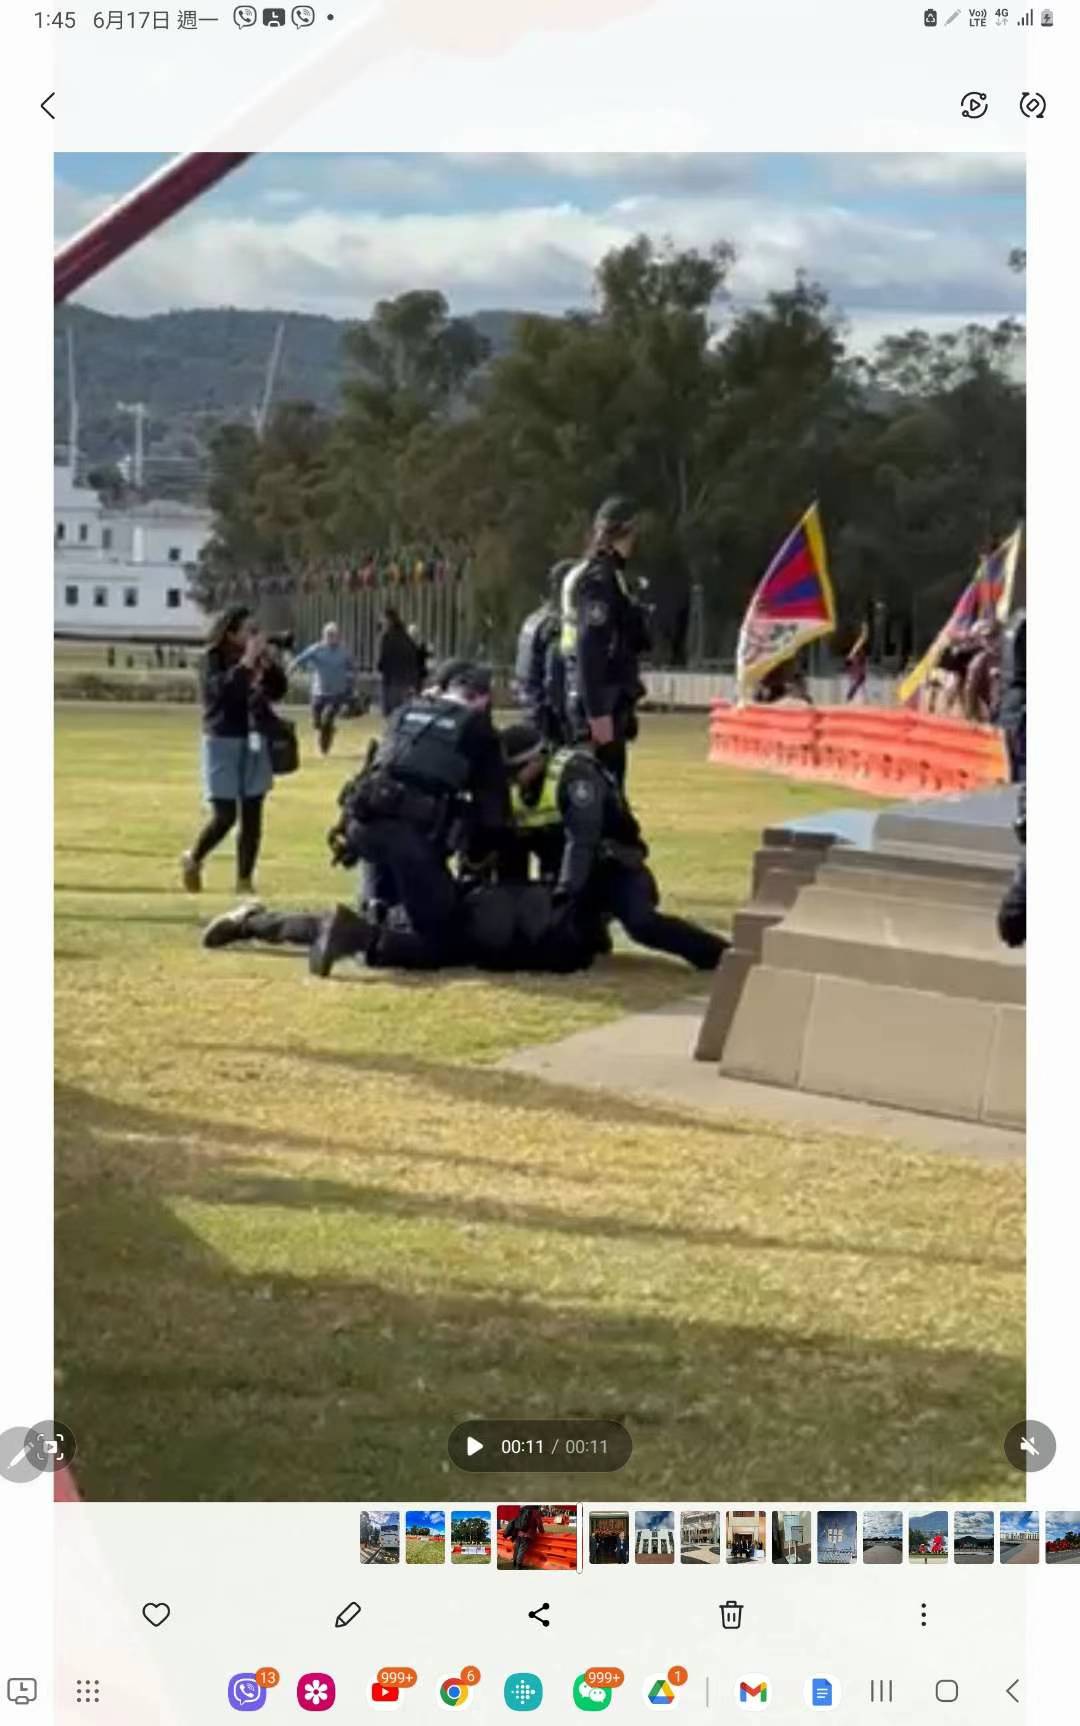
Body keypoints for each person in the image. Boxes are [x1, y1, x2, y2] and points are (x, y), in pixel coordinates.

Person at [311, 659, 512, 974]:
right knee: (440, 942)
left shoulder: (405, 712)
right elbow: (494, 816)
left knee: (388, 911)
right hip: (410, 840)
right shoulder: (477, 729)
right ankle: (352, 934)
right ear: (483, 698)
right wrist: (480, 860)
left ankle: (367, 919)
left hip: (361, 827)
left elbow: (376, 770)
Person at [498, 722, 727, 972]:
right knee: (574, 943)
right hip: (569, 875)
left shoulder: (576, 777)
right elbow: (514, 848)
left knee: (642, 924)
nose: (512, 780)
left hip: (614, 867)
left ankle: (720, 954)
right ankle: (593, 928)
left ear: (539, 758)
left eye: (516, 772)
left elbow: (582, 841)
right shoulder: (515, 789)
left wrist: (564, 897)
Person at [180, 606, 288, 894]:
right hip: (222, 740)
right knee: (225, 816)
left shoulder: (258, 659)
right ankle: (194, 858)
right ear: (230, 633)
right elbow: (221, 692)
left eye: (256, 630)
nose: (255, 636)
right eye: (249, 631)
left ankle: (244, 881)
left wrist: (268, 667)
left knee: (253, 815)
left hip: (254, 739)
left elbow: (278, 691)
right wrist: (247, 662)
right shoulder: (212, 659)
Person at [560, 496, 651, 787]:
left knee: (605, 788)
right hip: (599, 702)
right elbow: (589, 648)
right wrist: (597, 713)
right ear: (623, 533)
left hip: (603, 698)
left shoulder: (606, 575)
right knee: (602, 793)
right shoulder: (600, 581)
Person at [514, 559, 574, 745]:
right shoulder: (554, 625)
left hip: (533, 708)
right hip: (549, 718)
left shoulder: (535, 618)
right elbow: (552, 678)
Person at [290, 621, 356, 756]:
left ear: (338, 636)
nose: (332, 638)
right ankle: (329, 731)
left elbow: (352, 668)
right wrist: (291, 668)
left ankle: (324, 748)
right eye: (329, 635)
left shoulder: (344, 651)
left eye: (334, 635)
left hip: (336, 693)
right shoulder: (317, 649)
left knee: (327, 718)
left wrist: (350, 683)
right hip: (318, 692)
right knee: (316, 723)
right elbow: (300, 659)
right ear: (324, 636)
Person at [376, 606, 421, 717]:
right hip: (406, 683)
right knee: (403, 715)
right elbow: (414, 660)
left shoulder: (387, 637)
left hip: (392, 683)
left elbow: (383, 661)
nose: (381, 623)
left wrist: (380, 667)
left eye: (383, 620)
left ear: (389, 620)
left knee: (391, 716)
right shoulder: (406, 637)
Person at [511, 1505, 546, 1571]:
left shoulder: (522, 1510)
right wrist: (542, 1532)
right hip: (528, 1534)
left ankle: (514, 1563)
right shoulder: (535, 1512)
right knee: (521, 1550)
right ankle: (518, 1565)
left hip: (519, 1533)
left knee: (517, 1548)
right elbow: (539, 1523)